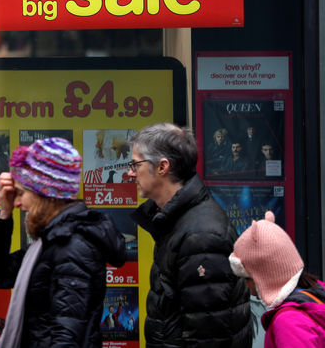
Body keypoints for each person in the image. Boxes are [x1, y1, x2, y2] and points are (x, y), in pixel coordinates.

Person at [0, 137, 126, 347]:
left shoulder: (71, 246)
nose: (18, 202)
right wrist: (4, 212)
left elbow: (66, 336)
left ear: (45, 194)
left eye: (21, 193)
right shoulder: (51, 242)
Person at [127, 123, 251, 347]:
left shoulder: (201, 235)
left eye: (136, 164)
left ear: (163, 167)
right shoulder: (177, 221)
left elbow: (209, 337)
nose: (130, 172)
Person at [229, 211, 325, 347]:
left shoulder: (288, 322)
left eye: (247, 278)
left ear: (266, 277)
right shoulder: (316, 293)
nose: (247, 287)